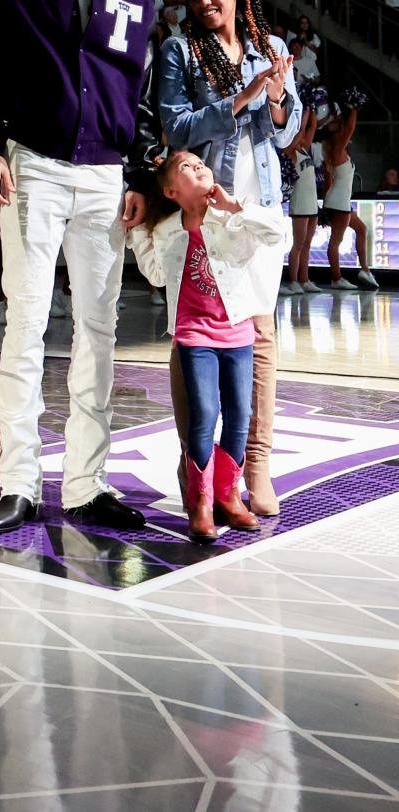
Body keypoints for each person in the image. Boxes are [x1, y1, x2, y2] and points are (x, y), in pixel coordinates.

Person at [0, 0, 159, 534]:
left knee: (100, 331)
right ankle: (18, 481)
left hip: (106, 174)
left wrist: (140, 176)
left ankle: (86, 484)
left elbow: (137, 94)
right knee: (25, 323)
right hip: (37, 167)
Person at [157, 0, 302, 517]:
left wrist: (274, 102)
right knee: (192, 336)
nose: (202, 1)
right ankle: (196, 472)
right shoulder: (179, 51)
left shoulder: (273, 48)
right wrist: (242, 98)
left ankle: (252, 465)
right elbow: (176, 130)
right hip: (203, 211)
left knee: (258, 339)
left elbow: (287, 138)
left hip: (256, 210)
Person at [129, 151, 286, 543]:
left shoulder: (232, 216)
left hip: (237, 332)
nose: (198, 166)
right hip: (193, 334)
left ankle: (230, 496)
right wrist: (135, 231)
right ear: (171, 191)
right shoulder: (167, 228)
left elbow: (276, 234)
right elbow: (154, 272)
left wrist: (237, 206)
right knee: (203, 413)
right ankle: (200, 504)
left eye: (200, 163)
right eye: (186, 167)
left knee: (239, 414)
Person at [318, 105, 378, 291]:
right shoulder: (336, 151)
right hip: (339, 203)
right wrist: (354, 108)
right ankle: (336, 278)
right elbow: (350, 128)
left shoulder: (334, 152)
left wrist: (326, 205)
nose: (347, 134)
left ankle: (365, 270)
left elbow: (328, 181)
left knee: (362, 229)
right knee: (336, 242)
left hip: (337, 201)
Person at [283, 93, 321, 295]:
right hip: (299, 203)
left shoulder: (304, 151)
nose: (302, 137)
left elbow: (311, 129)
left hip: (312, 203)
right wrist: (304, 113)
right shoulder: (289, 151)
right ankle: (293, 281)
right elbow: (299, 134)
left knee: (307, 244)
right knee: (298, 245)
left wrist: (312, 109)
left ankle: (305, 280)